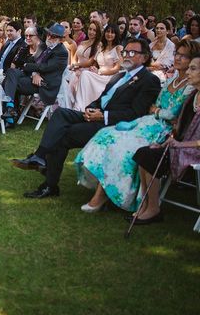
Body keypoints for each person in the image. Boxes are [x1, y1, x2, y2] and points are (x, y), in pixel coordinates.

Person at [11, 38, 161, 199]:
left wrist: (103, 116)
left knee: (64, 133)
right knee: (60, 113)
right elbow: (102, 99)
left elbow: (136, 113)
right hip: (96, 115)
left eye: (132, 52)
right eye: (125, 52)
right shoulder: (119, 76)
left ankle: (49, 184)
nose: (126, 56)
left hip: (113, 125)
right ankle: (40, 156)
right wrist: (92, 108)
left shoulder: (150, 80)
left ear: (145, 57)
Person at [76, 41, 199, 213]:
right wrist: (158, 111)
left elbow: (173, 114)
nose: (177, 57)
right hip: (147, 122)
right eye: (177, 53)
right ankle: (102, 186)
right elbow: (157, 107)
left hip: (163, 131)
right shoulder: (172, 79)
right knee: (107, 134)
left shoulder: (190, 87)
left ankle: (107, 196)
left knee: (123, 147)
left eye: (183, 55)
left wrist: (157, 111)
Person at [131, 52, 200, 224]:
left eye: (193, 69)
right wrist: (166, 141)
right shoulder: (193, 96)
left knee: (148, 157)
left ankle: (153, 209)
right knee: (143, 152)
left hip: (193, 151)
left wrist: (180, 145)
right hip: (180, 144)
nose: (188, 73)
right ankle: (146, 204)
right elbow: (180, 127)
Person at [2, 23, 69, 123]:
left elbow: (45, 67)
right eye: (49, 34)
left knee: (9, 81)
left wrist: (27, 67)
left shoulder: (61, 52)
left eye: (53, 36)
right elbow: (32, 61)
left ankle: (11, 114)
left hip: (44, 83)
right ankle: (10, 109)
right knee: (11, 72)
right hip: (33, 77)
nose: (49, 37)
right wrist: (34, 73)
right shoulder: (44, 46)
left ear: (61, 39)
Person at [71, 24, 123, 112]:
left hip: (110, 78)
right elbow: (95, 63)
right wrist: (93, 68)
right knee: (85, 74)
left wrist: (100, 72)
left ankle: (82, 107)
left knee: (85, 74)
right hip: (98, 74)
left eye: (112, 32)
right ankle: (79, 107)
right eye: (107, 32)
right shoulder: (101, 47)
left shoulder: (118, 48)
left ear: (116, 34)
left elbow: (117, 69)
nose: (109, 34)